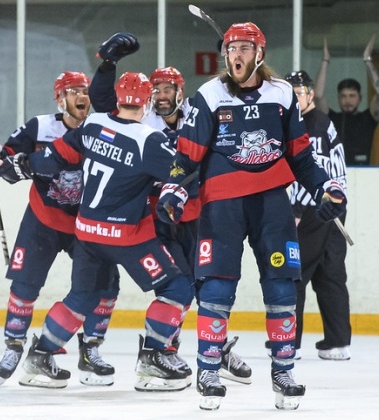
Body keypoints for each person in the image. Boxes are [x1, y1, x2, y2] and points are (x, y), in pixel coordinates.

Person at [156, 22, 347, 411]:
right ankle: (209, 369)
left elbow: (301, 157)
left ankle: (283, 370)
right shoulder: (209, 95)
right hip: (222, 205)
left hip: (272, 204)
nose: (235, 55)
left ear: (259, 54)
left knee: (281, 287)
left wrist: (326, 188)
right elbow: (187, 156)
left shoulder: (280, 95)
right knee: (216, 287)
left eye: (243, 48)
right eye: (230, 48)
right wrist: (174, 187)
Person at [0, 71, 195, 392]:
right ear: (145, 103)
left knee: (83, 297)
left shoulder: (92, 125)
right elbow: (181, 174)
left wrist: (18, 164)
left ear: (117, 98)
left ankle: (40, 356)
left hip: (86, 233)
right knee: (178, 290)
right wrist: (177, 191)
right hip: (127, 235)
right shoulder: (150, 140)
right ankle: (153, 357)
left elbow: (52, 158)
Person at [89, 32, 252, 386]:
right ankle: (162, 351)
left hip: (199, 216)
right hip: (159, 218)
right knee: (177, 287)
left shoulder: (198, 115)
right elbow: (103, 104)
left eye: (168, 90)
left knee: (209, 285)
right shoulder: (142, 123)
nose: (161, 97)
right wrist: (107, 63)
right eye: (157, 90)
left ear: (181, 92)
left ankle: (216, 347)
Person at [0, 71, 118, 387]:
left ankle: (90, 349)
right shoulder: (39, 126)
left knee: (106, 285)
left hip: (87, 224)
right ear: (59, 99)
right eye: (73, 90)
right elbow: (5, 161)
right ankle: (14, 346)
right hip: (44, 219)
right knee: (25, 284)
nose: (82, 95)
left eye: (85, 90)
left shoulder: (102, 128)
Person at [268, 70, 351, 361]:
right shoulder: (324, 121)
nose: (293, 99)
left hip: (313, 211)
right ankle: (338, 342)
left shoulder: (309, 126)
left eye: (298, 94)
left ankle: (291, 341)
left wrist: (297, 209)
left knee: (295, 274)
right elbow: (337, 172)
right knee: (331, 277)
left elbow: (311, 173)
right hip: (334, 211)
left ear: (310, 94)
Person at [314, 35, 379, 165]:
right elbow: (318, 96)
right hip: (335, 172)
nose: (347, 100)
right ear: (338, 98)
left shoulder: (368, 118)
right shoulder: (332, 118)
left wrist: (367, 60)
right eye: (343, 96)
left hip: (363, 173)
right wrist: (325, 61)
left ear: (360, 98)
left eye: (352, 96)